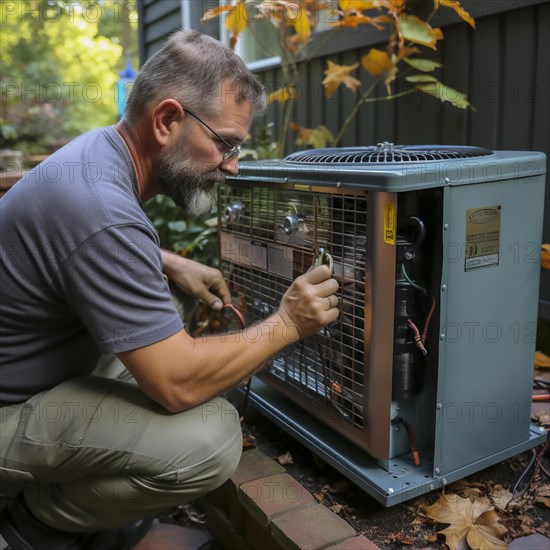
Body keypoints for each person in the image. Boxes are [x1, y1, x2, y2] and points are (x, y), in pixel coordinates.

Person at [0, 29, 339, 549]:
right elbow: (177, 385)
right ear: (166, 120)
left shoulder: (94, 156)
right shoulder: (102, 211)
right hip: (10, 409)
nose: (233, 164)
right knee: (209, 440)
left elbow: (69, 240)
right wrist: (289, 321)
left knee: (172, 304)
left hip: (32, 369)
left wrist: (166, 260)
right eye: (225, 143)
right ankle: (34, 525)